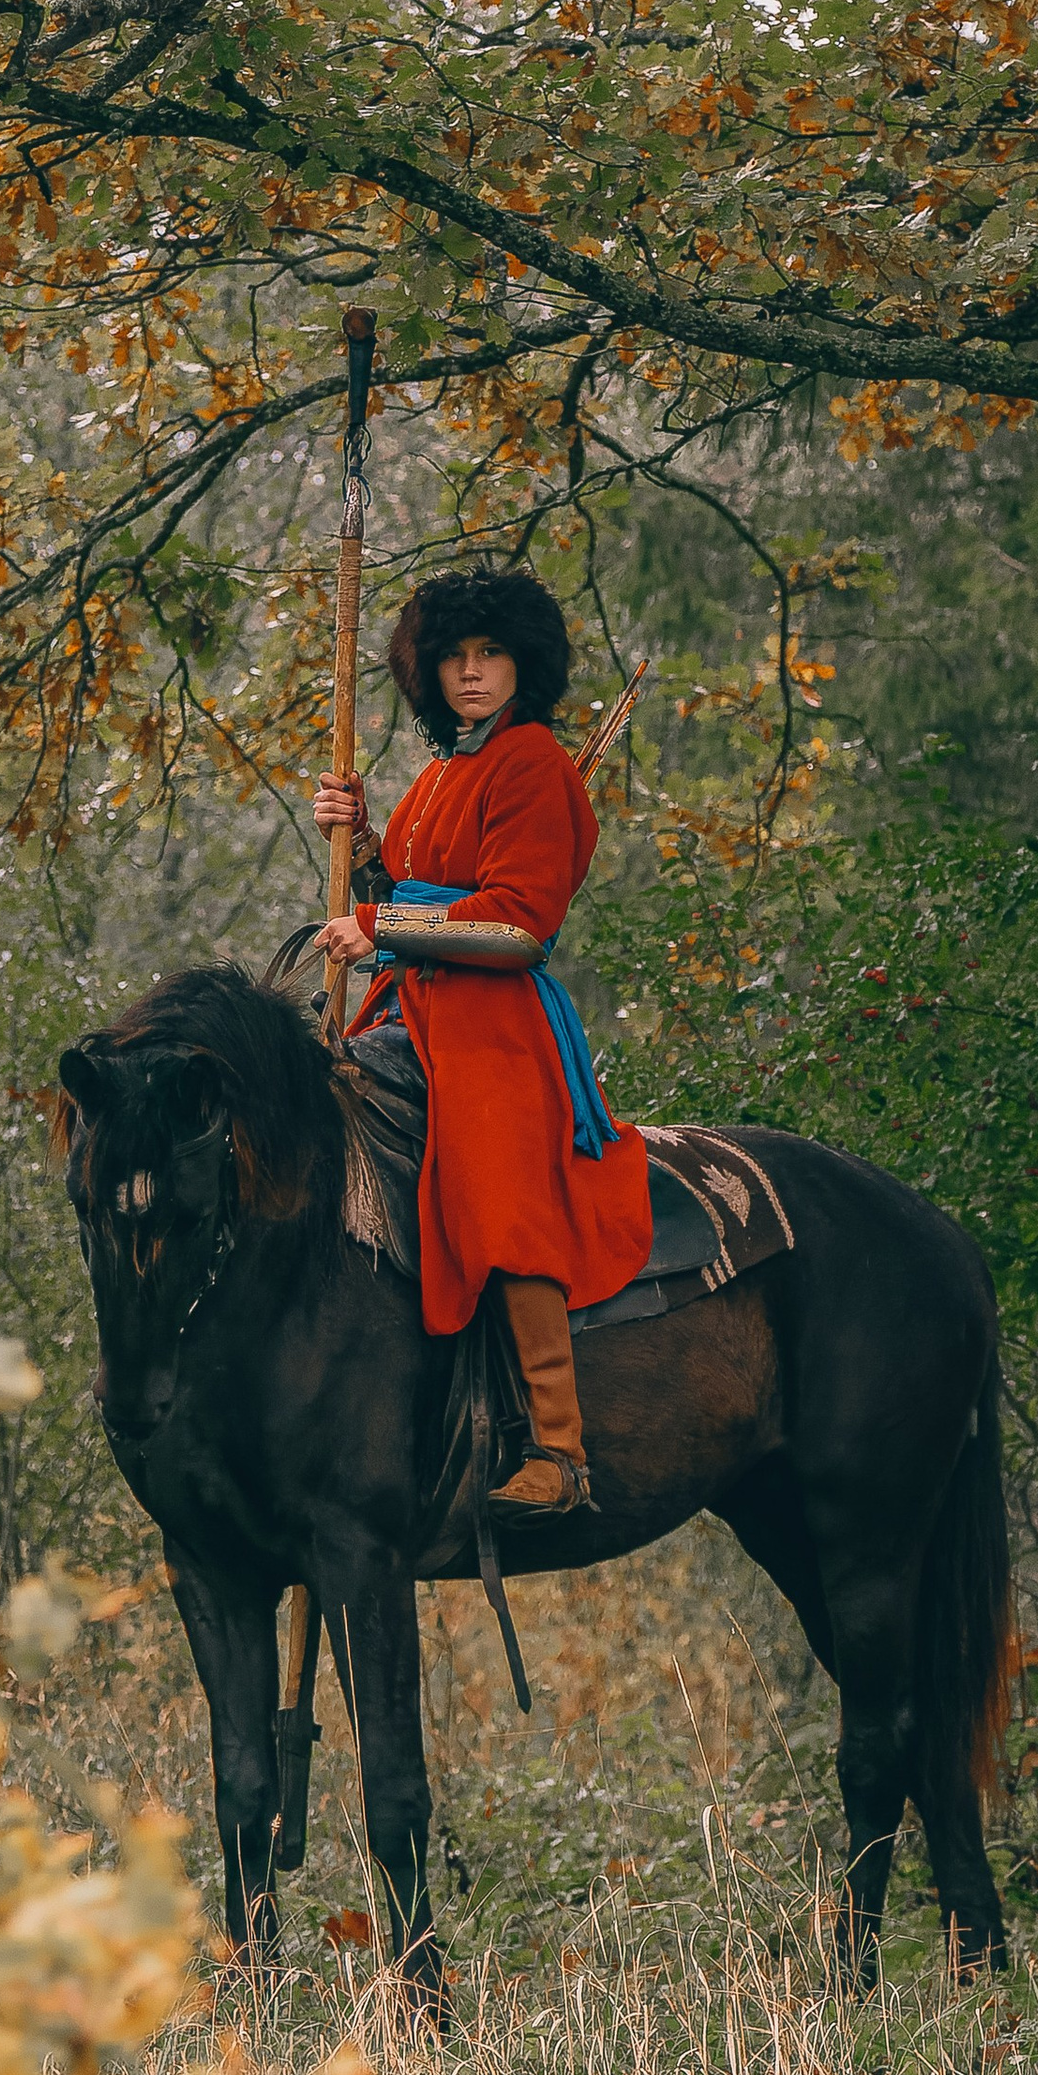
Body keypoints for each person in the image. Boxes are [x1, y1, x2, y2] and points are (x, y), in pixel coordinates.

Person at [313, 568, 650, 1515]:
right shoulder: (443, 772)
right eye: (456, 657)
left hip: (496, 1029)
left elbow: (517, 929)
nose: (472, 673)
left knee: (501, 1203)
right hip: (410, 1010)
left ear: (521, 664)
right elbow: (418, 884)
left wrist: (381, 927)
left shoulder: (535, 762)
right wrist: (364, 841)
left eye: (490, 654)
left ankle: (559, 1452)